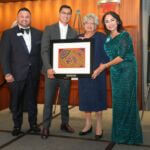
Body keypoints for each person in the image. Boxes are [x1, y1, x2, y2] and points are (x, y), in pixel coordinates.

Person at [92, 11, 143, 145]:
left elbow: (121, 56)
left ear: (118, 21)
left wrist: (104, 66)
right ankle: (119, 133)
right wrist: (83, 40)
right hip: (115, 72)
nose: (109, 23)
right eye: (107, 21)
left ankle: (130, 135)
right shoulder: (107, 38)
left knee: (127, 101)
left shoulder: (124, 35)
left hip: (127, 71)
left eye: (112, 20)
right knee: (118, 103)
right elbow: (97, 43)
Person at [1, 8, 42, 136]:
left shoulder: (38, 33)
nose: (25, 19)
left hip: (34, 73)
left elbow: (42, 53)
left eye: (27, 17)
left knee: (32, 100)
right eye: (22, 16)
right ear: (17, 18)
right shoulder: (8, 34)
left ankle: (33, 124)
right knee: (16, 101)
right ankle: (17, 126)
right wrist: (7, 73)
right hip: (15, 74)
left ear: (30, 18)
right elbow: (4, 55)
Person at [41, 5, 77, 139]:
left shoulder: (74, 32)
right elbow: (44, 50)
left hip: (66, 73)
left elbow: (74, 53)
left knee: (65, 99)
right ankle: (45, 126)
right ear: (59, 14)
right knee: (48, 100)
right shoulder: (49, 29)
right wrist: (49, 67)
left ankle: (65, 123)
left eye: (68, 14)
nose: (66, 15)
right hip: (51, 71)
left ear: (70, 16)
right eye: (64, 13)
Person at [78, 13, 109, 140]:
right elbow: (74, 56)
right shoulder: (78, 37)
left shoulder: (102, 37)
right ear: (83, 25)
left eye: (92, 23)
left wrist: (100, 68)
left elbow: (108, 55)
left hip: (98, 74)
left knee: (98, 100)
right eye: (87, 23)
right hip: (83, 76)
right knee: (86, 100)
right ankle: (88, 124)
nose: (89, 25)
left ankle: (99, 126)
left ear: (96, 25)